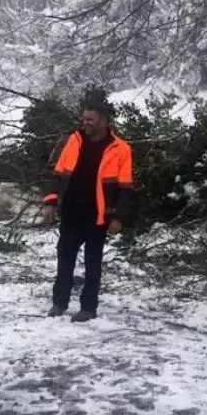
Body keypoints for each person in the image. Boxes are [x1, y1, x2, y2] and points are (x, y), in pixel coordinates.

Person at [42, 100, 134, 322]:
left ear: (104, 120)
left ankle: (88, 308)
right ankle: (59, 302)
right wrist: (51, 201)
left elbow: (126, 188)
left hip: (98, 215)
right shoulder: (74, 141)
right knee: (65, 259)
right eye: (84, 119)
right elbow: (60, 175)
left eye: (90, 119)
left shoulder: (120, 148)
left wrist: (118, 218)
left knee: (93, 263)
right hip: (72, 211)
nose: (86, 123)